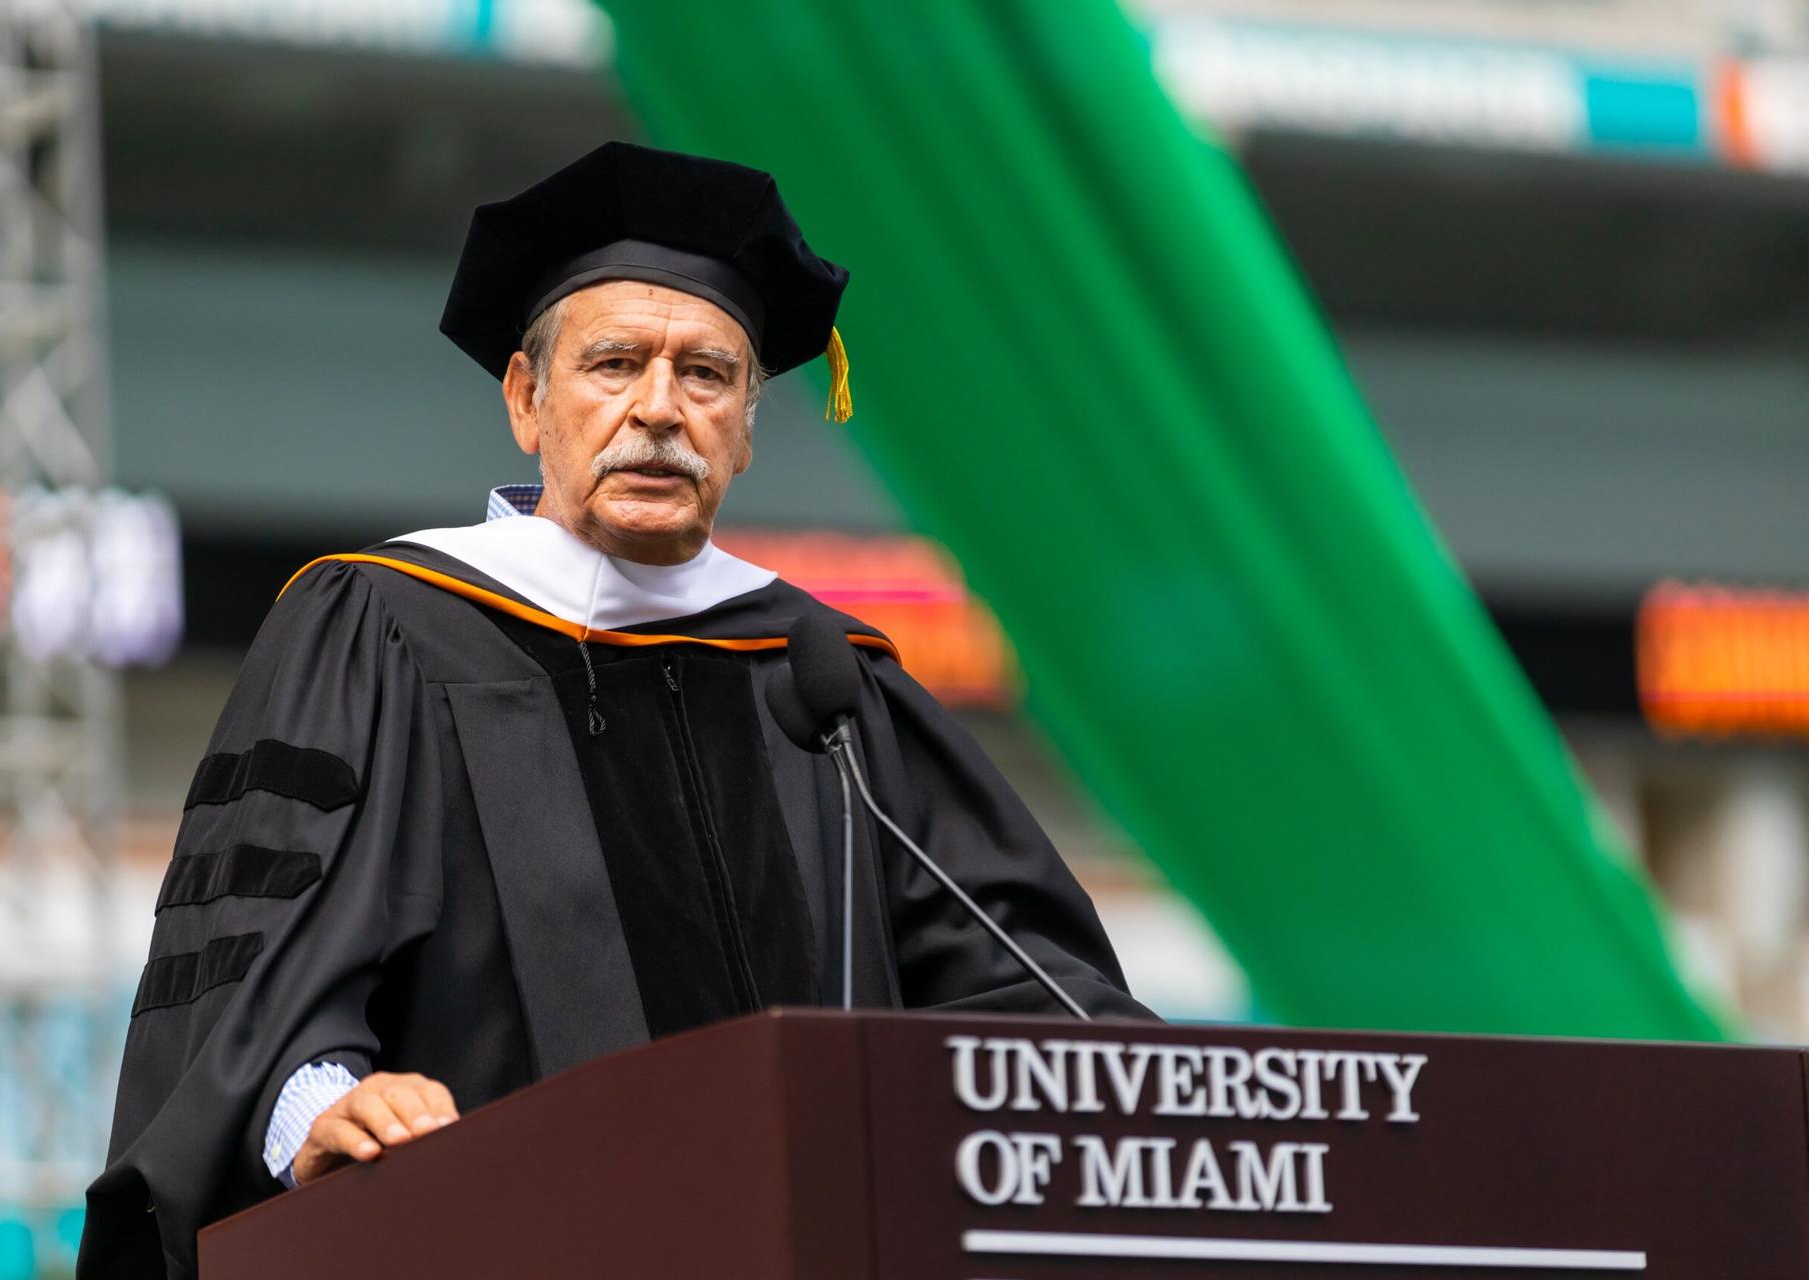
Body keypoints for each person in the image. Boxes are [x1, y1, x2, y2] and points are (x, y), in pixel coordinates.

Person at [78, 141, 1154, 1279]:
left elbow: (1021, 984)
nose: (659, 410)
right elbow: (256, 978)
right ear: (525, 399)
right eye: (614, 363)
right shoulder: (383, 629)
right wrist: (322, 1108)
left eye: (705, 374)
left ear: (746, 424)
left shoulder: (832, 682)